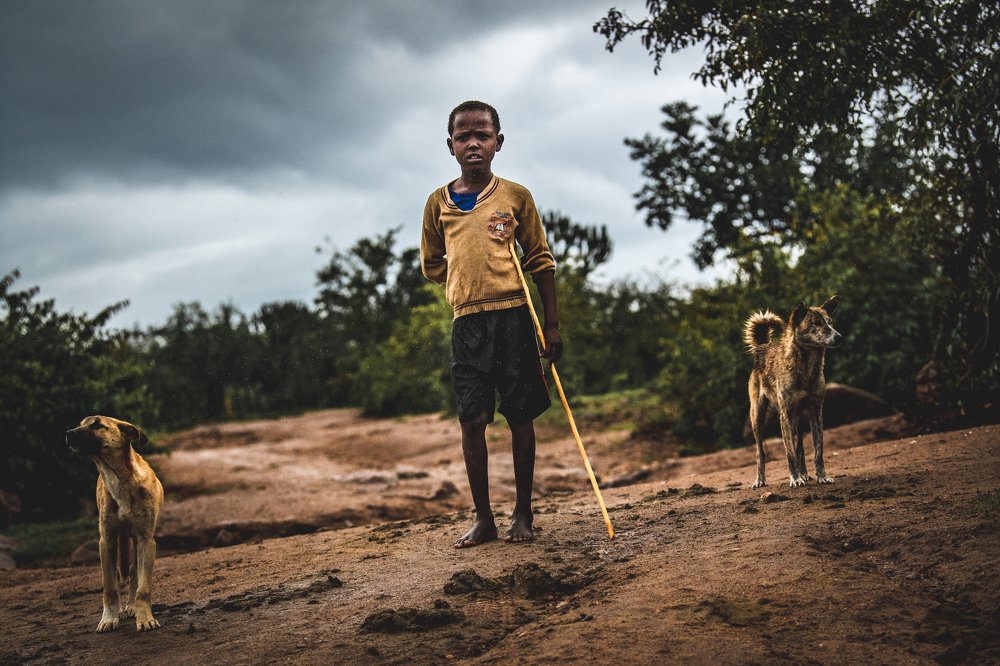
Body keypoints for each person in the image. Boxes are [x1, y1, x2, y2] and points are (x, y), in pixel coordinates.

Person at [421, 100, 562, 548]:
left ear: (498, 142)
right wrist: (465, 279)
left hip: (515, 317)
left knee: (520, 414)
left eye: (482, 134)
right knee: (472, 419)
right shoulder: (436, 204)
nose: (474, 143)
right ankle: (483, 519)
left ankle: (523, 512)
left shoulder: (515, 197)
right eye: (464, 136)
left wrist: (551, 325)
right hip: (468, 324)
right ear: (451, 146)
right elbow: (431, 263)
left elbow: (540, 259)